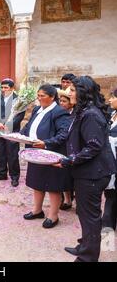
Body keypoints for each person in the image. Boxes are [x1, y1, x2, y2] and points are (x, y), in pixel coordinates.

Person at [59, 76, 116, 262]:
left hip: (93, 174)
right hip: (87, 172)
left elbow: (94, 146)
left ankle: (87, 257)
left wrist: (69, 160)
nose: (69, 93)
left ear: (84, 93)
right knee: (84, 214)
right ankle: (84, 246)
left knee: (90, 217)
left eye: (73, 90)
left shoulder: (90, 114)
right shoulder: (83, 111)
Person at [21, 84, 71, 229]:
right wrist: (18, 135)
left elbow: (63, 134)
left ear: (52, 97)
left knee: (52, 185)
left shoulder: (59, 112)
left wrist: (46, 143)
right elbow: (28, 126)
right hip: (35, 152)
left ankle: (53, 216)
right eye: (38, 95)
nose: (39, 98)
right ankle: (37, 210)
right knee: (37, 182)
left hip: (50, 154)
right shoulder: (37, 109)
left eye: (42, 95)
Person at [0, 78, 25, 187]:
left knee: (12, 154)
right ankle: (1, 173)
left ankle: (14, 176)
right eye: (2, 87)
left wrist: (8, 125)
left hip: (11, 131)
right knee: (0, 153)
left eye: (6, 88)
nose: (3, 90)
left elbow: (20, 116)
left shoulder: (19, 100)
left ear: (12, 88)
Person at [102, 88, 117, 232]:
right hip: (110, 161)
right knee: (111, 194)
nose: (110, 100)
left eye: (113, 97)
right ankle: (108, 225)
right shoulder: (112, 114)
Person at [58, 88, 75, 211]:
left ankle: (79, 203)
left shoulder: (76, 114)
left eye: (64, 101)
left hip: (74, 149)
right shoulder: (59, 114)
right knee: (64, 175)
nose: (61, 103)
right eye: (60, 101)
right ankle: (67, 200)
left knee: (75, 177)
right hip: (62, 147)